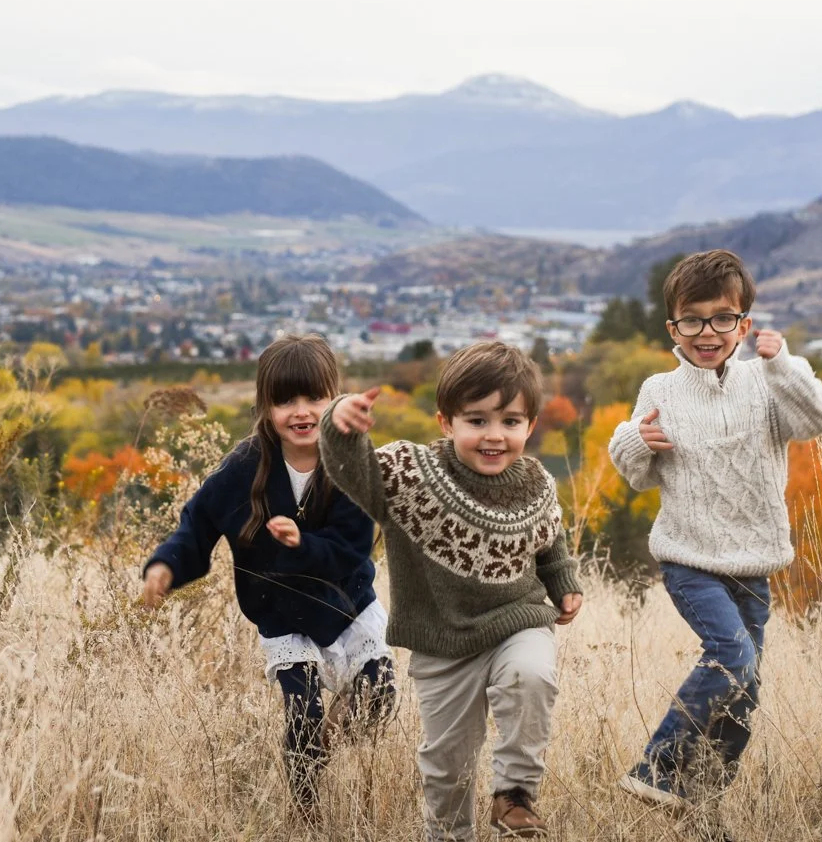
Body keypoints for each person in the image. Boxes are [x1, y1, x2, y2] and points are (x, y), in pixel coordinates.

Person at [320, 340, 583, 841]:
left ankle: (514, 795)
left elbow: (550, 538)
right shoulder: (410, 474)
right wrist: (340, 423)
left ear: (530, 425)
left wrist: (564, 582)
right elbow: (353, 471)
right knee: (446, 766)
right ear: (447, 422)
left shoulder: (536, 482)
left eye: (510, 421)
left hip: (517, 620)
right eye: (477, 420)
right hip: (442, 643)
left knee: (531, 676)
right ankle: (448, 833)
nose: (494, 435)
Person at [608, 249, 822, 811]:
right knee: (731, 660)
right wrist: (638, 441)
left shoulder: (768, 382)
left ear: (744, 323)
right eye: (692, 319)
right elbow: (633, 469)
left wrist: (783, 365)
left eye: (722, 318)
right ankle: (656, 768)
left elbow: (820, 419)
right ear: (674, 327)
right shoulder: (660, 390)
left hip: (753, 564)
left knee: (744, 693)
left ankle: (700, 803)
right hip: (689, 559)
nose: (706, 332)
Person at [141, 334, 396, 823]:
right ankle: (306, 814)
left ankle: (327, 739)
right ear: (265, 406)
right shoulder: (244, 467)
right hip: (283, 615)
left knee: (379, 692)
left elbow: (351, 549)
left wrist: (303, 545)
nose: (301, 412)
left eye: (315, 398)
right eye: (285, 401)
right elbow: (197, 524)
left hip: (348, 605)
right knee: (301, 713)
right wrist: (167, 566)